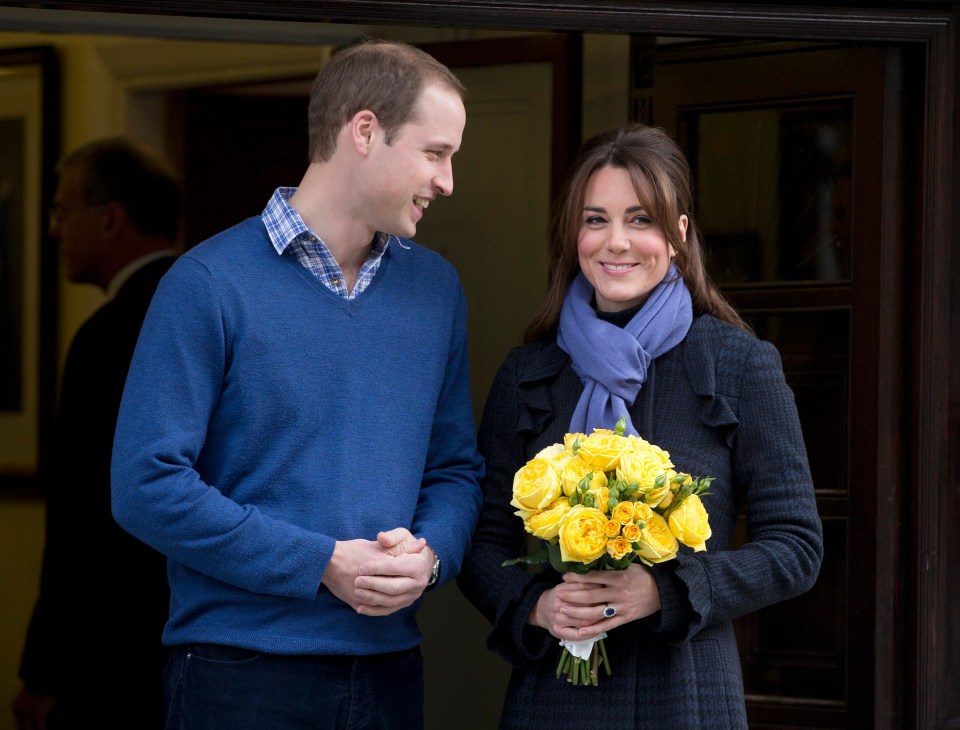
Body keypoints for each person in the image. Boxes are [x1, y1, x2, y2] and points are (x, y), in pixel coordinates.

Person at [110, 38, 483, 730]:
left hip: (390, 672)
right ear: (365, 131)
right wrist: (319, 563)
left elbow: (456, 468)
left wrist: (431, 557)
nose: (447, 180)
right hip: (239, 674)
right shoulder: (207, 283)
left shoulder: (436, 291)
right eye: (436, 153)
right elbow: (145, 487)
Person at [456, 123, 824, 729]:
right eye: (595, 220)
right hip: (553, 699)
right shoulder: (530, 371)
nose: (616, 242)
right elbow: (482, 540)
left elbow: (796, 547)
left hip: (686, 696)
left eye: (641, 220)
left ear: (679, 234)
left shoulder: (738, 365)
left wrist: (665, 591)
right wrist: (536, 606)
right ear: (573, 234)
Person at [12, 137, 182, 730]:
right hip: (204, 632)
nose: (54, 230)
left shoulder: (108, 335)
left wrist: (42, 671)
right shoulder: (215, 307)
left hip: (112, 647)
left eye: (62, 211)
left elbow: (82, 517)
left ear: (111, 218)